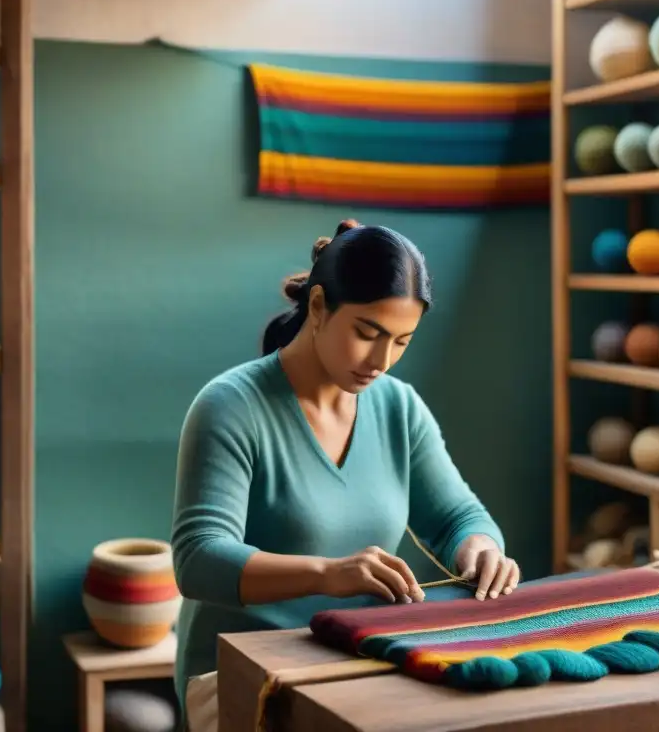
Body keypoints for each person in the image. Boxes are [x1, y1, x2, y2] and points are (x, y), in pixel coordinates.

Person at [170, 219, 520, 731]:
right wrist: (327, 574)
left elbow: (455, 517)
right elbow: (198, 559)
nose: (382, 361)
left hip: (360, 666)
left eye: (402, 341)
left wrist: (481, 547)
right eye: (367, 333)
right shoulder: (230, 407)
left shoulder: (399, 407)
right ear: (317, 307)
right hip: (245, 678)